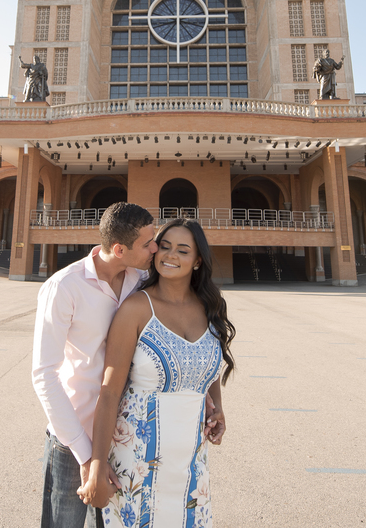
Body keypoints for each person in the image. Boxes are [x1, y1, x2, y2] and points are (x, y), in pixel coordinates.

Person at [80, 218, 234, 528]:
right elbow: (110, 391)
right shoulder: (136, 308)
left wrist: (217, 409)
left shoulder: (211, 307)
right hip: (135, 459)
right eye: (164, 247)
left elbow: (210, 365)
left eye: (182, 249)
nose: (170, 255)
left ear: (198, 260)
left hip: (191, 462)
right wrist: (96, 464)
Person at [32, 202, 162, 528]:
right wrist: (87, 456)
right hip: (73, 439)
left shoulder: (143, 280)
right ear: (119, 249)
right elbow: (44, 374)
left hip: (128, 435)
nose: (155, 248)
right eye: (147, 243)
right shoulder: (64, 287)